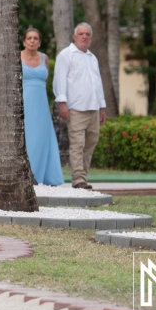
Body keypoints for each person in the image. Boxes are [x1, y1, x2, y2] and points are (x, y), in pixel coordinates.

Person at [52, 22, 106, 190]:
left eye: (87, 34)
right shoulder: (66, 55)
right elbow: (59, 80)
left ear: (91, 38)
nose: (84, 37)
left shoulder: (92, 57)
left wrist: (102, 106)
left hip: (93, 108)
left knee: (91, 142)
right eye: (81, 34)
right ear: (74, 37)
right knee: (77, 144)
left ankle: (83, 176)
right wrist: (62, 103)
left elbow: (97, 83)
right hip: (76, 108)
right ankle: (78, 179)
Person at [20, 27, 64, 186]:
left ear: (39, 42)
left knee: (42, 137)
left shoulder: (44, 58)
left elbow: (45, 82)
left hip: (41, 103)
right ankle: (26, 175)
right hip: (24, 101)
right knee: (27, 136)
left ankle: (45, 176)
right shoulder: (17, 57)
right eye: (29, 38)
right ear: (24, 41)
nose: (32, 41)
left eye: (35, 38)